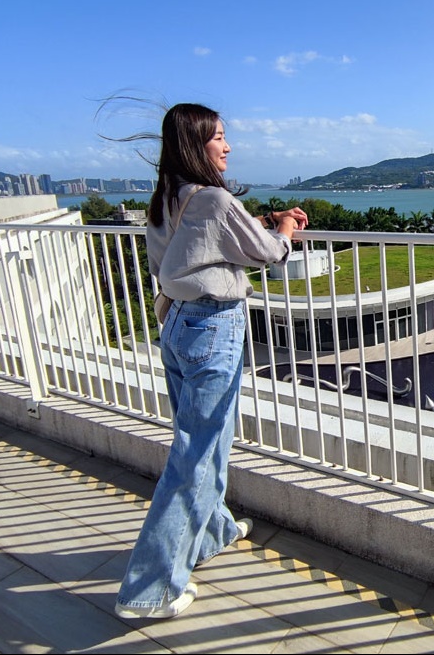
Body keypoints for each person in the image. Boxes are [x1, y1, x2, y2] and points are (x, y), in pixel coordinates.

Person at [114, 102, 308, 620]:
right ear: (197, 144)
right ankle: (150, 588)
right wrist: (284, 230)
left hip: (176, 322)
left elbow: (191, 250)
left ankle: (212, 531)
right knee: (197, 454)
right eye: (219, 137)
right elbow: (265, 253)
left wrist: (261, 222)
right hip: (212, 328)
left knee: (203, 442)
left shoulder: (167, 199)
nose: (227, 146)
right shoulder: (216, 200)